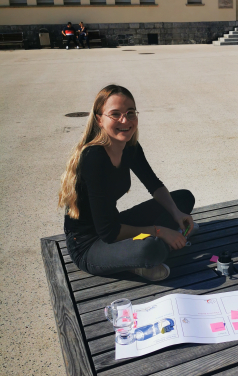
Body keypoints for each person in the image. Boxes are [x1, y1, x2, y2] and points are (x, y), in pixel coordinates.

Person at [59, 84, 196, 280]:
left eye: (130, 113)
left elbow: (153, 184)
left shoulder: (129, 146)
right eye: (115, 114)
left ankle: (168, 236)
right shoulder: (93, 158)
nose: (125, 120)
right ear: (99, 119)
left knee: (183, 198)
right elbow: (108, 233)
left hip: (114, 225)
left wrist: (176, 214)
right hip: (89, 245)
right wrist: (160, 231)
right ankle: (141, 256)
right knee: (151, 248)